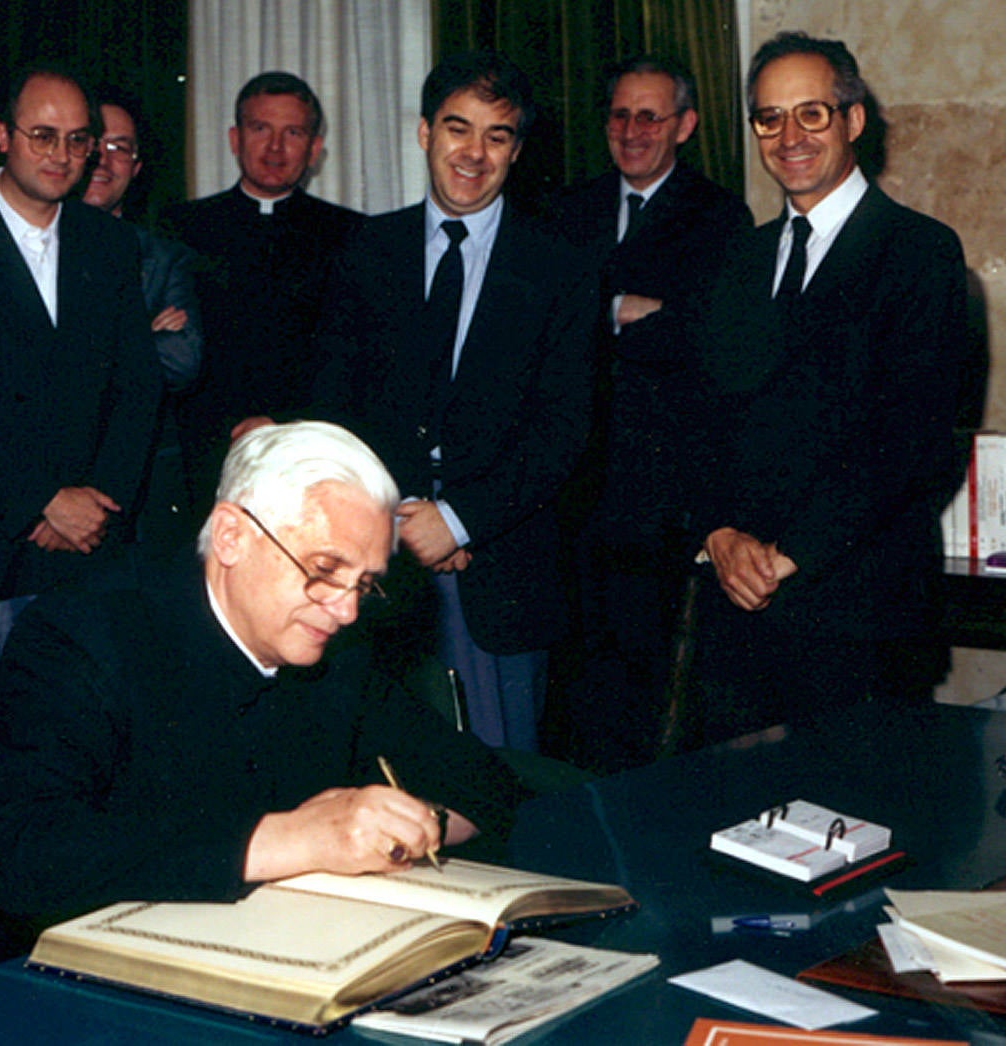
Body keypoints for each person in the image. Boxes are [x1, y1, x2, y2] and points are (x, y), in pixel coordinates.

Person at [0, 420, 525, 997]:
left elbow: (480, 782)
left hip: (199, 973)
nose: (347, 610)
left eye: (364, 584)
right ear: (233, 536)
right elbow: (25, 858)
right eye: (324, 569)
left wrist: (411, 829)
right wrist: (291, 840)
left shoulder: (332, 649)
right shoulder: (82, 633)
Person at [682, 32, 967, 745]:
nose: (789, 137)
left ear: (854, 120)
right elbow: (698, 420)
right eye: (769, 118)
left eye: (811, 113)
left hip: (860, 618)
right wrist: (717, 534)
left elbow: (912, 444)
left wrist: (787, 555)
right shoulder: (737, 260)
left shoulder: (919, 253)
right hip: (737, 617)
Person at [311, 51, 598, 753]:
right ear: (423, 133)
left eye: (496, 136)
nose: (473, 153)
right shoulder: (365, 251)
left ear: (518, 150)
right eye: (456, 129)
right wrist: (400, 516)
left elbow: (563, 431)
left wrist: (460, 522)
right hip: (375, 562)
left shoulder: (560, 267)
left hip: (498, 575)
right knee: (375, 775)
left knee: (498, 786)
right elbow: (333, 403)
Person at [0, 62, 162, 768]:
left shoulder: (109, 245)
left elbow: (136, 391)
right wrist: (42, 502)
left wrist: (95, 507)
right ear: (2, 135)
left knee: (82, 756)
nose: (64, 156)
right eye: (44, 135)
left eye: (80, 141)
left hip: (88, 549)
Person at [545, 55, 753, 773]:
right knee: (572, 701)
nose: (632, 131)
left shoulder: (721, 217)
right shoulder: (567, 211)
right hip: (569, 494)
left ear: (685, 126)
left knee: (652, 705)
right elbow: (552, 329)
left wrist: (634, 321)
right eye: (620, 115)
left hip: (660, 501)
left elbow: (711, 339)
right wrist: (625, 312)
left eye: (650, 116)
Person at [161, 71, 363, 514]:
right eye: (260, 129)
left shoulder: (354, 236)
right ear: (235, 139)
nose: (275, 148)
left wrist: (284, 426)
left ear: (314, 149)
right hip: (200, 463)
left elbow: (353, 361)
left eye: (292, 133)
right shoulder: (179, 230)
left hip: (311, 455)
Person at [83, 84, 203, 553]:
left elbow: (182, 361)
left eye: (120, 148)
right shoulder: (34, 253)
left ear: (135, 168)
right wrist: (140, 334)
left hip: (145, 489)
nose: (103, 159)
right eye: (92, 142)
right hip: (52, 490)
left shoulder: (164, 258)